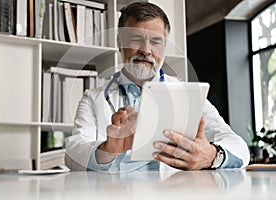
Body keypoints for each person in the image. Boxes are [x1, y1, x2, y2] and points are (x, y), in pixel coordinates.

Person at [65, 1, 250, 172]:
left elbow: (239, 147)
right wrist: (106, 151)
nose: (146, 50)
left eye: (155, 41)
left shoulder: (187, 94)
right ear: (119, 42)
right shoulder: (93, 97)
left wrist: (211, 156)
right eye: (136, 39)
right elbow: (73, 153)